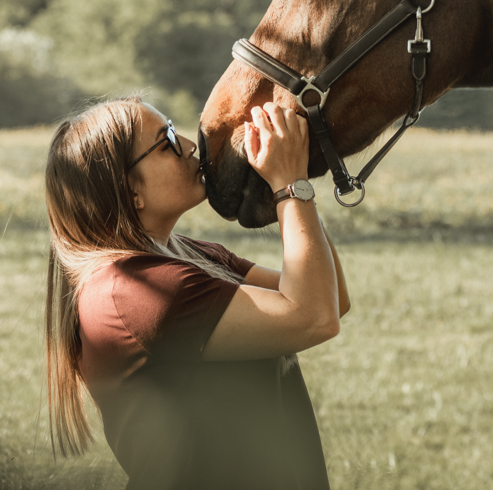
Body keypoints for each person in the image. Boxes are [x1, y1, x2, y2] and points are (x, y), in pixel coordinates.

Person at [43, 96, 349, 489]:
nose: (189, 145)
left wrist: (293, 183)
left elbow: (333, 298)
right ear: (129, 190)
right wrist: (289, 184)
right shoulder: (138, 291)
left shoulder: (189, 255)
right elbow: (314, 317)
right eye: (166, 140)